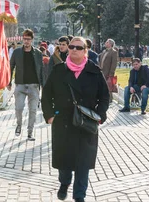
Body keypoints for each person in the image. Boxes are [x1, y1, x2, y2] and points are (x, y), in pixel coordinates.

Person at [41, 36, 110, 202]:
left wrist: (99, 116)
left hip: (85, 123)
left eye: (79, 47)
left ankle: (80, 195)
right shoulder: (59, 70)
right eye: (71, 47)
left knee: (83, 162)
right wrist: (50, 116)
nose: (74, 50)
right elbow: (47, 94)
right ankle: (64, 183)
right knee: (64, 161)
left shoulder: (94, 71)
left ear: (85, 51)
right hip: (63, 122)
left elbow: (105, 97)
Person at [8, 29, 43, 141]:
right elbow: (11, 66)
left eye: (28, 39)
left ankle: (30, 132)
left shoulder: (38, 53)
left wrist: (42, 85)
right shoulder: (17, 52)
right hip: (20, 84)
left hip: (34, 85)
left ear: (32, 40)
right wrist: (8, 82)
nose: (26, 41)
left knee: (33, 110)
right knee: (19, 108)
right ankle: (19, 125)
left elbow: (41, 70)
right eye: (24, 39)